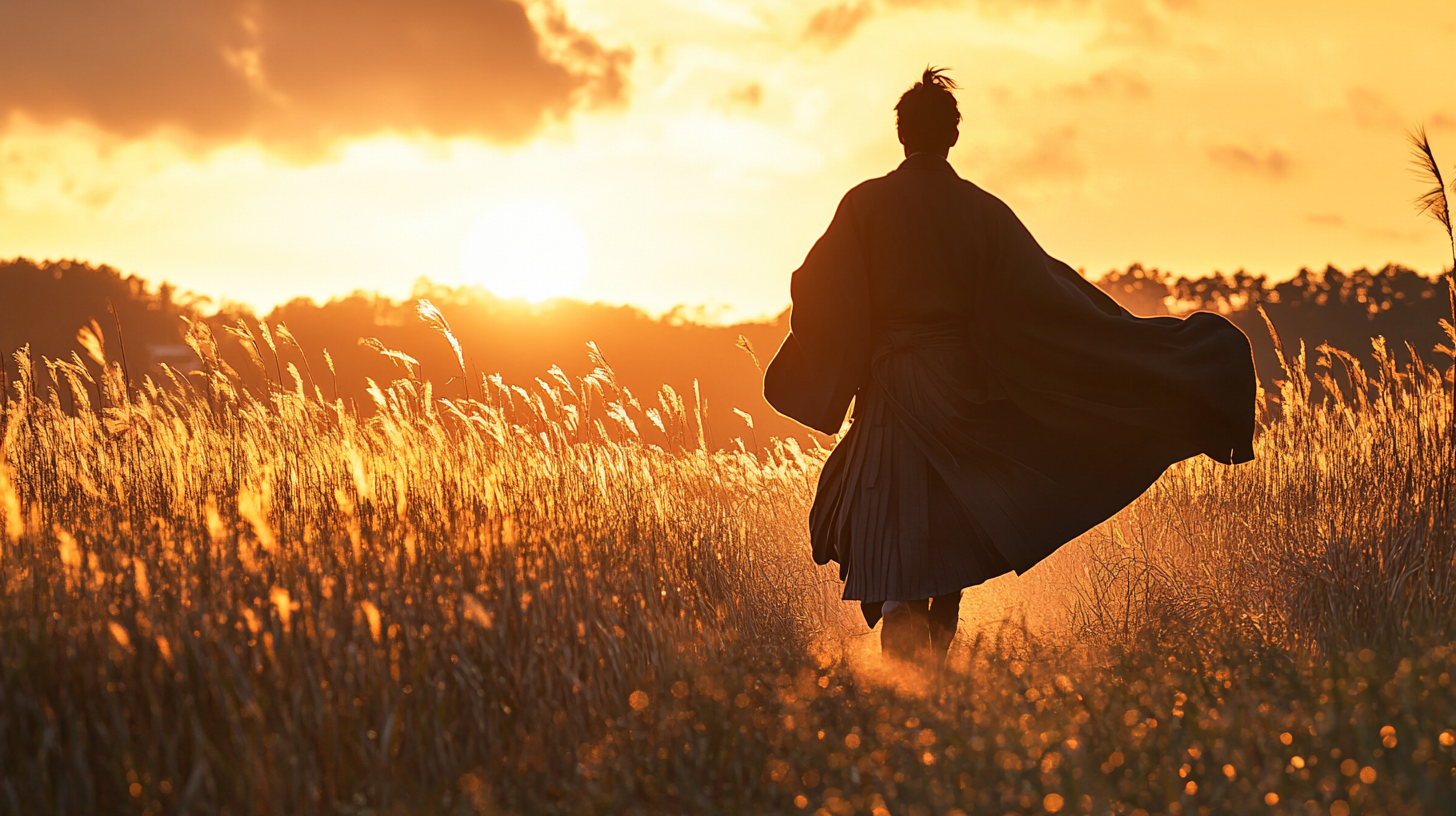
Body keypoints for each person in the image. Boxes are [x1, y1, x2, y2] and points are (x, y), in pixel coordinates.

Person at [764, 68, 1256, 666]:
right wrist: (1134, 348)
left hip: (892, 388)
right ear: (952, 137)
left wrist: (838, 364)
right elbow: (1048, 298)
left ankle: (900, 654)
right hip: (961, 392)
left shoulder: (864, 204)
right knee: (949, 522)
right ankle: (926, 667)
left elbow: (821, 291)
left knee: (891, 516)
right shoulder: (982, 211)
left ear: (901, 136)